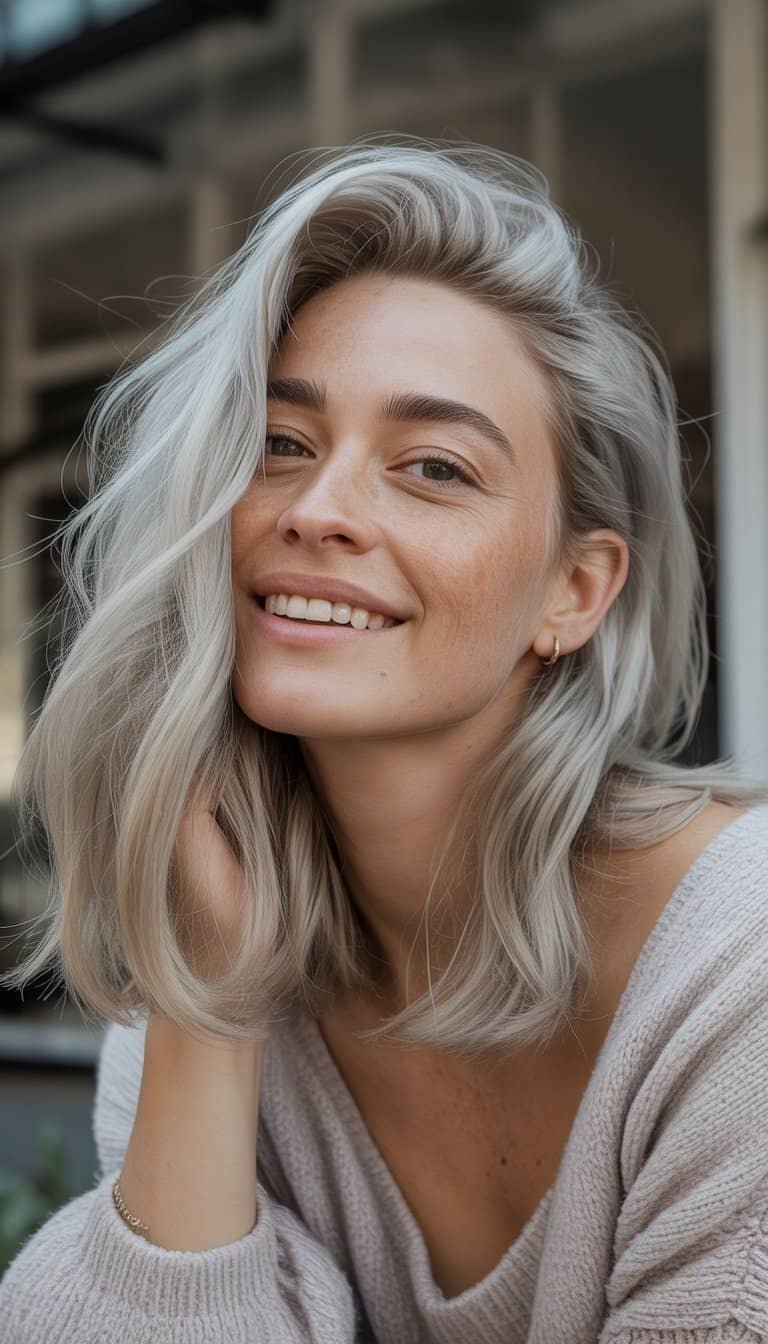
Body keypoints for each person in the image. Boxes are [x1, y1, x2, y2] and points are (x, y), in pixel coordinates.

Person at [1, 136, 768, 1344]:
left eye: (432, 467)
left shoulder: (742, 969)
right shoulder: (211, 938)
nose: (316, 511)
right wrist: (215, 1009)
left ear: (575, 590)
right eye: (283, 443)